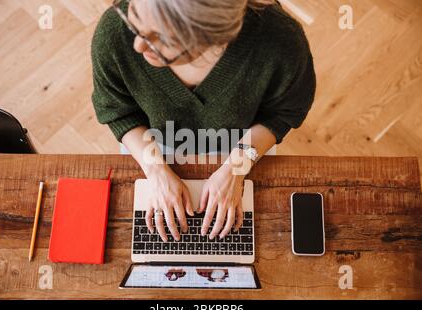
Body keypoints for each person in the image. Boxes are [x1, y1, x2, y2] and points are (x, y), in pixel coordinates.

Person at [91, 0, 316, 243]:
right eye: (134, 18)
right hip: (148, 143)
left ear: (216, 40)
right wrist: (155, 170)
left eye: (162, 39)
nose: (138, 45)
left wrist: (235, 170)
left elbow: (283, 113)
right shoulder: (113, 32)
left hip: (244, 144)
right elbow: (118, 110)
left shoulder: (282, 43)